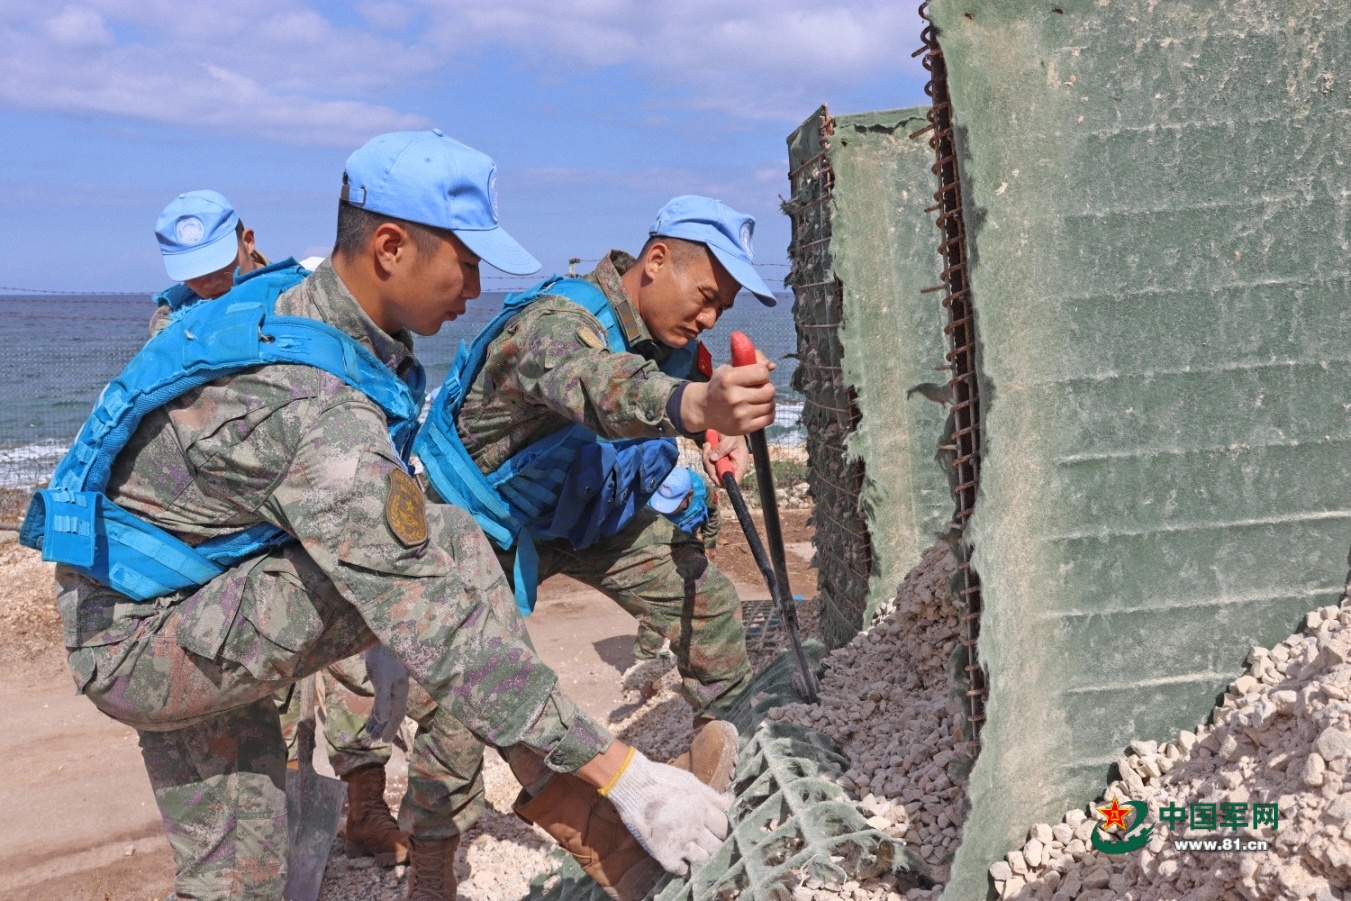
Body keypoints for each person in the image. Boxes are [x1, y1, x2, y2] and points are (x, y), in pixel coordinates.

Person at [22, 131, 730, 901]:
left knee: (237, 883)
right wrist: (625, 774)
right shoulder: (313, 408)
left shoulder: (307, 309)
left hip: (174, 597)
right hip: (151, 637)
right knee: (444, 557)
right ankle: (577, 807)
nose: (476, 288)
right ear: (391, 246)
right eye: (466, 261)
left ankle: (563, 800)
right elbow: (433, 618)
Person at [415, 194, 780, 796]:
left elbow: (687, 378)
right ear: (657, 261)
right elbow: (594, 384)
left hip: (585, 509)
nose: (711, 318)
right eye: (707, 298)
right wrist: (693, 406)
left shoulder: (670, 337)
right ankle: (433, 855)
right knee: (468, 685)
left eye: (725, 307)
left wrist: (720, 431)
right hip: (486, 521)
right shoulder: (555, 324)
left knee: (704, 599)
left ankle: (728, 749)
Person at [151, 189, 413, 868]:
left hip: (321, 502)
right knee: (255, 678)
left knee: (358, 665)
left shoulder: (300, 296)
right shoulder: (169, 325)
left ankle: (365, 804)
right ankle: (273, 823)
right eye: (190, 269)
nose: (205, 281)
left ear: (246, 236)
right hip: (233, 536)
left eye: (214, 261)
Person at [149, 190, 270, 336]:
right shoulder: (170, 317)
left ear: (248, 242)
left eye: (221, 265)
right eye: (194, 272)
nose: (211, 283)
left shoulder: (298, 294)